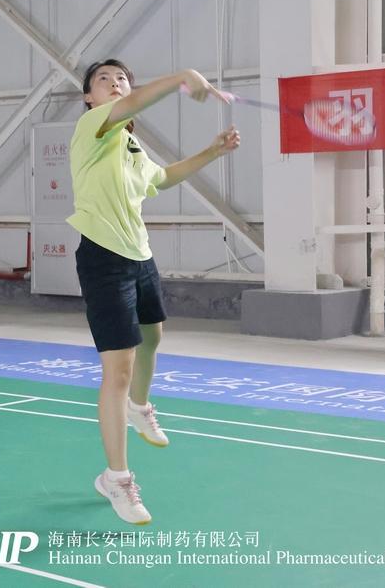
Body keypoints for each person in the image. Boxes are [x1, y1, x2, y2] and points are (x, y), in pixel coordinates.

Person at [70, 60, 239, 524]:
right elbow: (136, 102)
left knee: (154, 336)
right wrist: (183, 76)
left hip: (138, 255)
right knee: (118, 369)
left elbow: (162, 178)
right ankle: (117, 479)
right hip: (104, 259)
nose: (114, 83)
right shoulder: (93, 127)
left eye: (121, 78)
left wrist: (212, 151)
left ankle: (139, 406)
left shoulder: (129, 144)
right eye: (103, 79)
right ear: (89, 97)